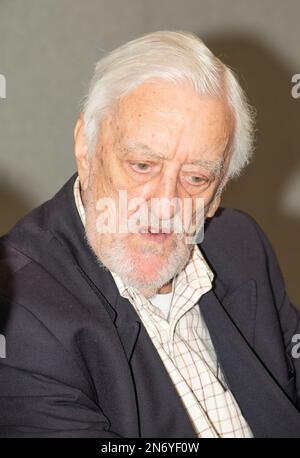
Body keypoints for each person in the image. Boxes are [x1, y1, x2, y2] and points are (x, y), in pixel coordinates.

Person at [0, 31, 299, 438]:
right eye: (142, 165)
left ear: (218, 191)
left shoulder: (239, 244)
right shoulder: (17, 307)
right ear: (86, 148)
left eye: (196, 177)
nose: (165, 203)